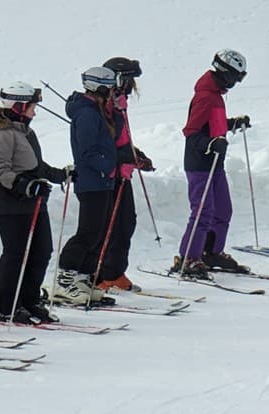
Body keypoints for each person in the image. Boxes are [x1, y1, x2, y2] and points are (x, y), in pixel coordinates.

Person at [0, 81, 68, 324]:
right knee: (16, 254)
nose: (35, 111)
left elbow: (35, 165)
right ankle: (4, 306)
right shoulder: (1, 134)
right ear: (19, 106)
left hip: (33, 202)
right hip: (10, 204)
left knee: (42, 252)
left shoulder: (25, 132)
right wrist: (25, 184)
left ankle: (29, 300)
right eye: (32, 106)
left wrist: (60, 174)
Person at [172, 49, 250, 279]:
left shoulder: (216, 95)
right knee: (203, 212)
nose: (236, 82)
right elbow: (192, 132)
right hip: (199, 164)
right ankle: (188, 258)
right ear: (225, 73)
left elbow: (212, 124)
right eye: (236, 77)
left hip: (215, 164)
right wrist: (210, 144)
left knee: (223, 210)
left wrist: (232, 123)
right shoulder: (205, 96)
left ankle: (211, 252)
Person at [53, 67, 119, 304]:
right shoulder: (87, 114)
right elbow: (87, 150)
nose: (113, 92)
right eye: (110, 88)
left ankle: (82, 277)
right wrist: (108, 166)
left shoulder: (96, 110)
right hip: (92, 181)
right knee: (89, 231)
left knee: (98, 232)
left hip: (102, 181)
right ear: (99, 87)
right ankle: (64, 279)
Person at [95, 57, 154, 292]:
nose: (131, 86)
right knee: (110, 225)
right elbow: (104, 141)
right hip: (109, 173)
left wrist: (135, 154)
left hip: (123, 172)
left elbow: (122, 137)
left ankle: (114, 271)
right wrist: (123, 156)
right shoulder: (104, 104)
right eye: (128, 80)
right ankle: (100, 274)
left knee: (126, 222)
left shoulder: (119, 102)